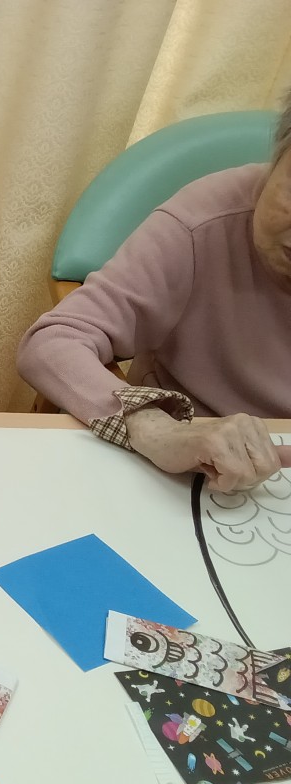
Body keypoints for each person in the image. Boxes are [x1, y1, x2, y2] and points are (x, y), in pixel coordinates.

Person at [18, 94, 291, 492]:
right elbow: (54, 341)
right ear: (277, 159)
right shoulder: (200, 224)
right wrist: (155, 426)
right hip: (189, 471)